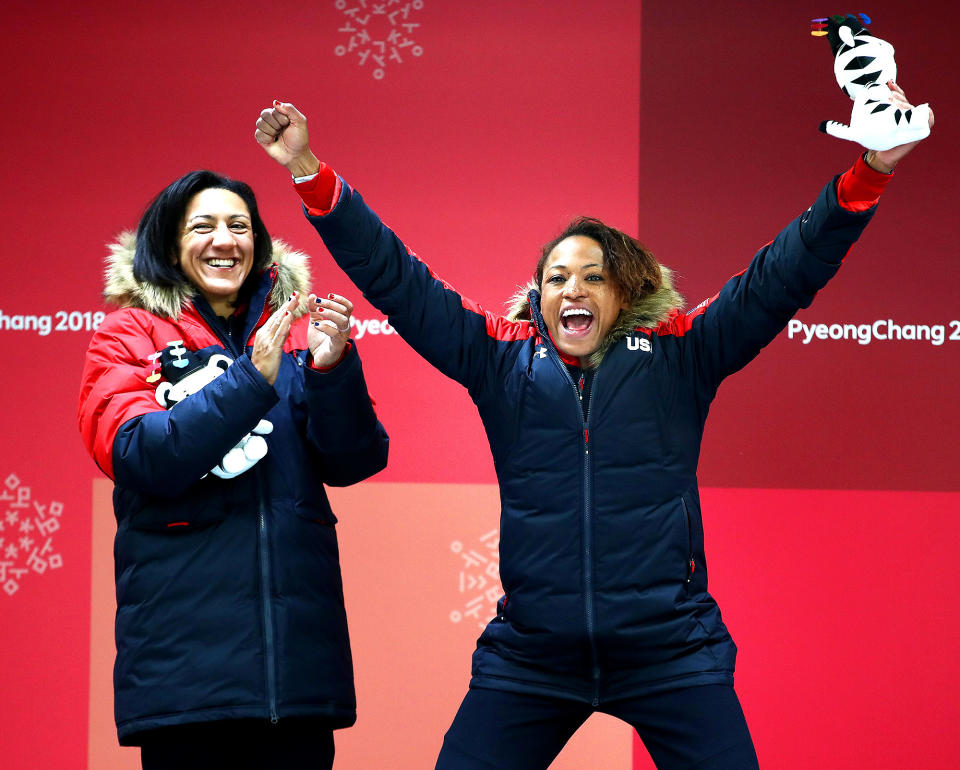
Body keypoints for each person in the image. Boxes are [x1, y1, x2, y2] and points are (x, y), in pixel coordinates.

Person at [254, 73, 932, 768]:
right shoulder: (498, 359)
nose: (571, 288)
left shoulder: (683, 352)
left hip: (671, 653)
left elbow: (786, 272)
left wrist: (870, 171)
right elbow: (394, 276)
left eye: (593, 276)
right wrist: (308, 169)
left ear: (624, 292)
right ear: (538, 297)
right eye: (555, 277)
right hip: (531, 659)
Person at [78, 169, 389, 770]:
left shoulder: (288, 347)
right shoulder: (125, 336)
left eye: (240, 226)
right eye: (204, 226)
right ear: (171, 246)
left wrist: (332, 371)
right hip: (188, 688)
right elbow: (143, 455)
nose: (225, 240)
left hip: (298, 684)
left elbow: (355, 460)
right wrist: (251, 378)